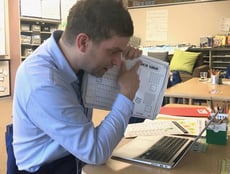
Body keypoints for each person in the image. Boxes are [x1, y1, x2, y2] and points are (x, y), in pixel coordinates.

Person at [12, 0, 142, 173]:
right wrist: (126, 95)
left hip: (74, 157)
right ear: (82, 42)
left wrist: (128, 59)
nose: (118, 61)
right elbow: (95, 152)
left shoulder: (78, 60)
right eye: (112, 51)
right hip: (48, 169)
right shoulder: (43, 81)